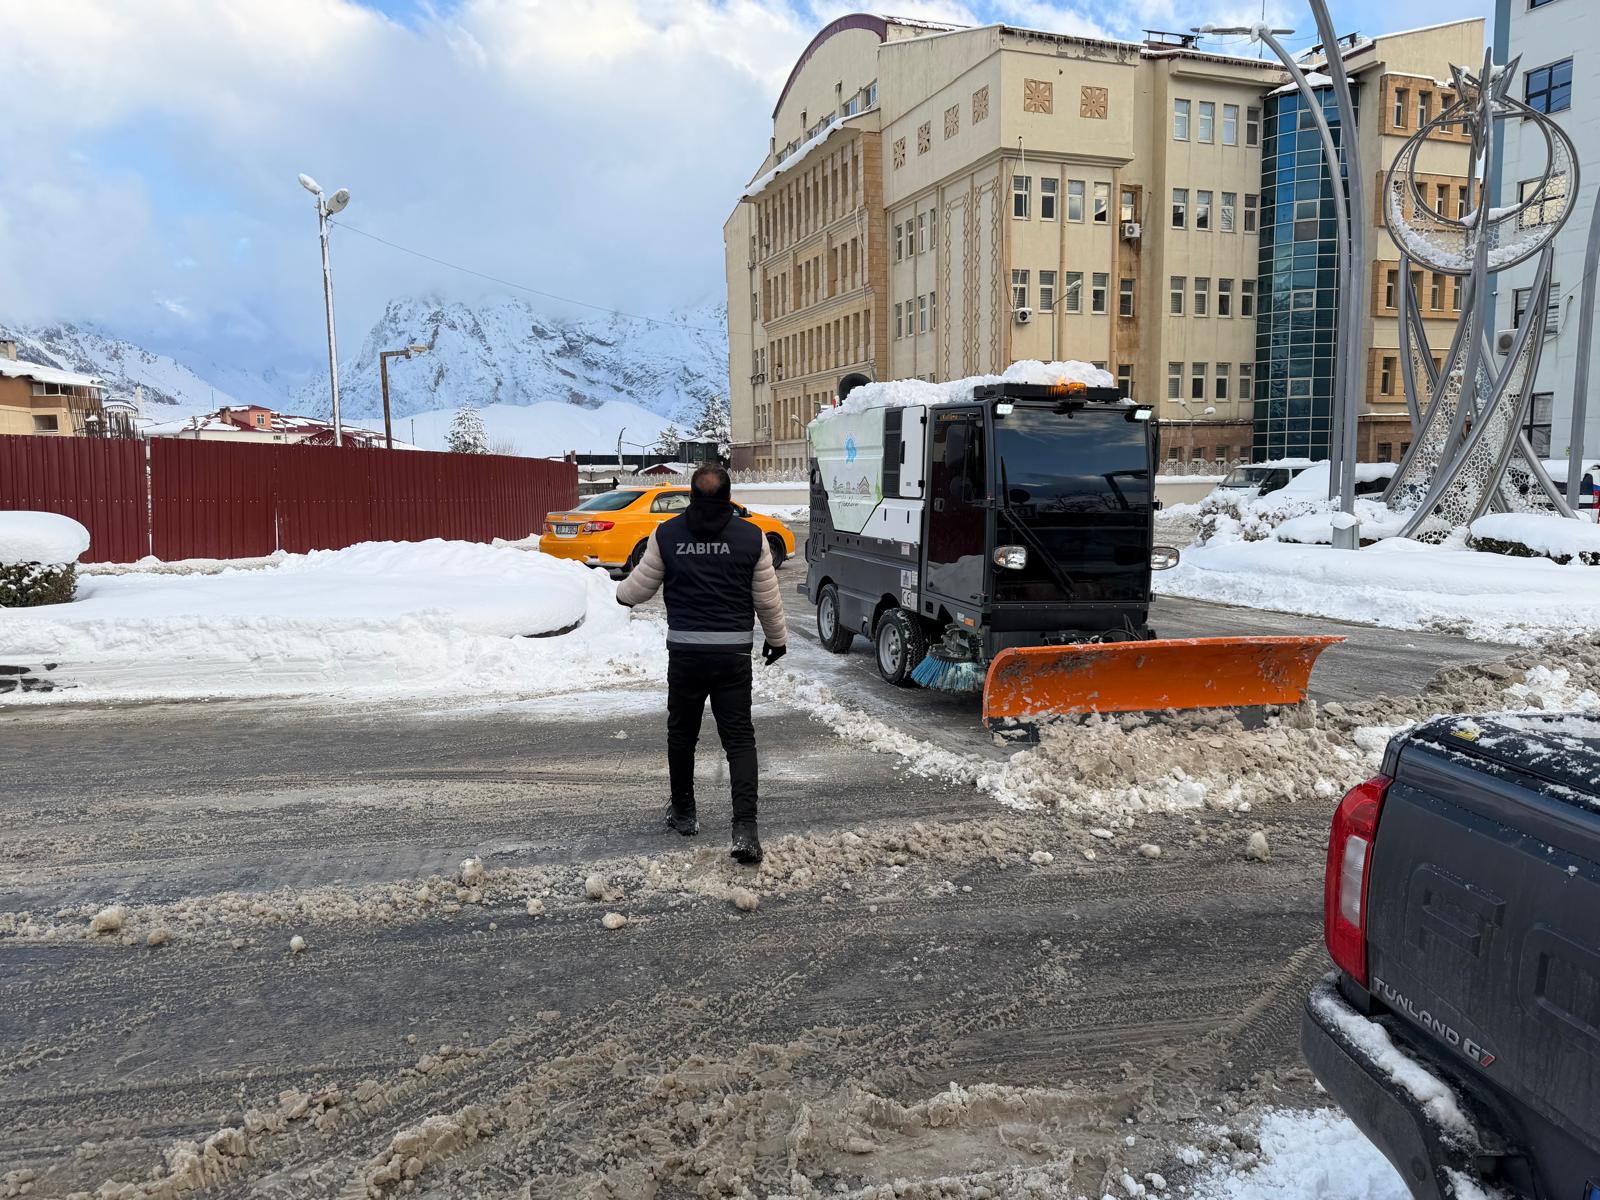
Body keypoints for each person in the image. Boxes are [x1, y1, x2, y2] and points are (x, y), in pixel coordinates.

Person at [615, 464, 787, 863]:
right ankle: (745, 828)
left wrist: (621, 595)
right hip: (732, 657)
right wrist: (776, 642)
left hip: (687, 657)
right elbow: (767, 598)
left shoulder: (668, 533)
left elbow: (637, 589)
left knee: (682, 735)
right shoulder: (751, 536)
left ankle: (685, 813)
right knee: (739, 740)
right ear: (729, 497)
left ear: (691, 496)